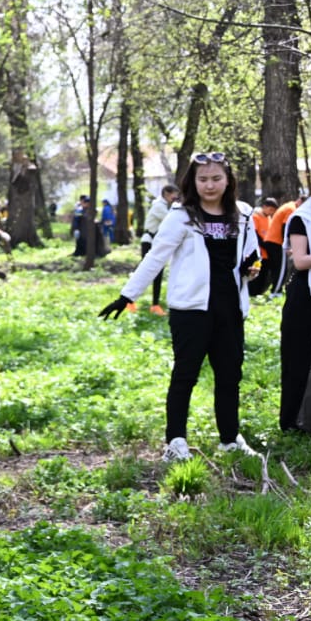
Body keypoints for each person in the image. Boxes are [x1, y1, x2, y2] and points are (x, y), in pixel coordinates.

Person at [98, 153, 261, 461]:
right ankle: (176, 442)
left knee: (229, 374)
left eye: (216, 179)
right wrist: (127, 295)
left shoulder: (242, 214)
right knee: (185, 374)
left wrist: (251, 267)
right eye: (203, 180)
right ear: (193, 182)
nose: (210, 186)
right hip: (191, 310)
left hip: (229, 309)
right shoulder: (182, 215)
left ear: (228, 181)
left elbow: (251, 255)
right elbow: (156, 257)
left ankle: (229, 438)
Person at [278, 193, 311, 431]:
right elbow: (300, 261)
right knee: (298, 359)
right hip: (306, 296)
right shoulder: (303, 217)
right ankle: (292, 423)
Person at [138, 184, 181, 314]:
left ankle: (155, 305)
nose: (176, 198)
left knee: (157, 273)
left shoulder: (163, 206)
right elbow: (173, 221)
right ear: (167, 194)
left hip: (155, 242)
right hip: (149, 242)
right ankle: (130, 300)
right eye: (174, 195)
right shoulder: (159, 207)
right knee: (147, 272)